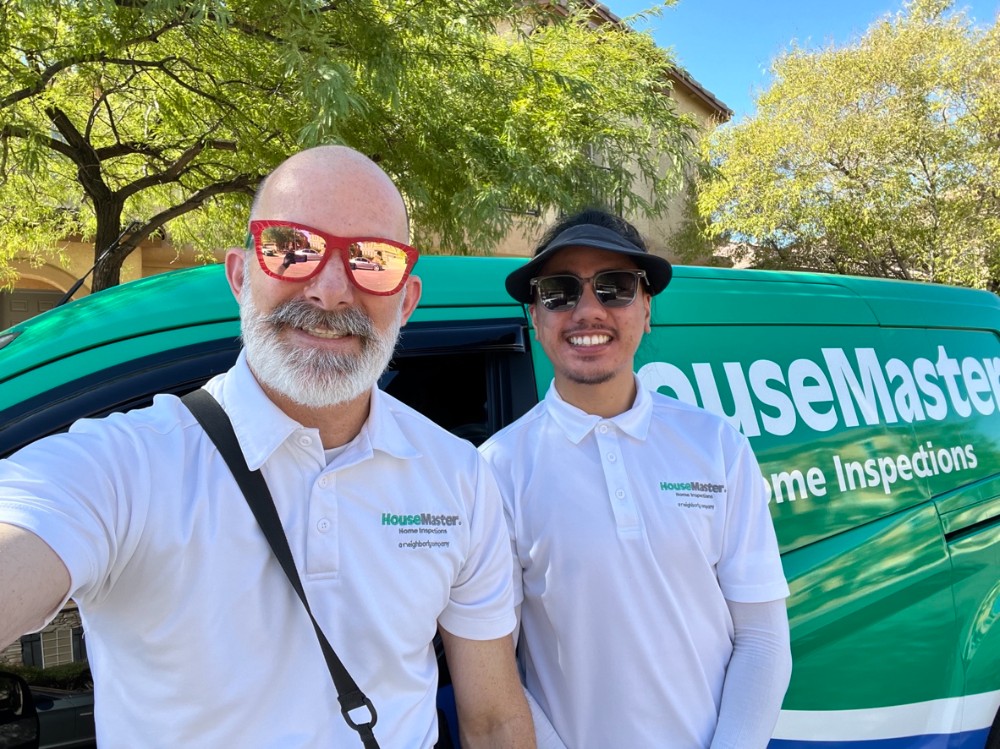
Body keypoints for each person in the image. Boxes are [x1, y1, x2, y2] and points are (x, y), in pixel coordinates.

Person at [0, 145, 534, 748]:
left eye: (372, 259)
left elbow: (494, 720)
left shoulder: (458, 475)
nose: (331, 291)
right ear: (240, 276)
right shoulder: (125, 467)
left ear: (406, 301)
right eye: (291, 248)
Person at [479, 209, 792, 749]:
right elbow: (495, 672)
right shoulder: (495, 469)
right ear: (535, 316)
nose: (587, 310)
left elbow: (762, 639)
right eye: (559, 292)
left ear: (647, 308)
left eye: (615, 287)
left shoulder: (717, 445)